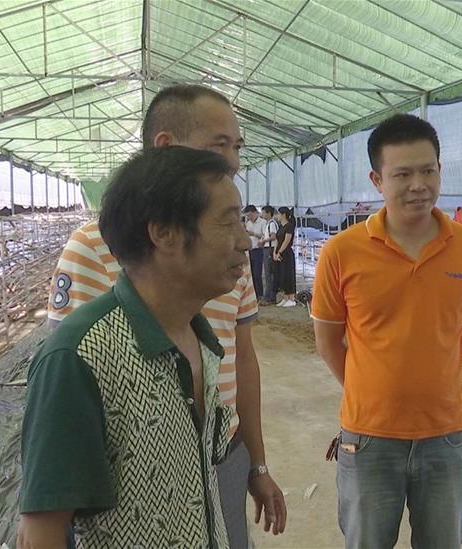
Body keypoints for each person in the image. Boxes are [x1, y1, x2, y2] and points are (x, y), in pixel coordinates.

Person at [46, 85, 286, 547]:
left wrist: (256, 462)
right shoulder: (93, 249)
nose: (233, 162)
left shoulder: (228, 253)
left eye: (238, 147)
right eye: (219, 145)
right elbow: (66, 387)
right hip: (134, 468)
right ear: (165, 147)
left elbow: (243, 360)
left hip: (222, 449)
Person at [18, 147, 245, 548]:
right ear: (164, 234)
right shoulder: (79, 358)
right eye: (228, 223)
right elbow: (41, 532)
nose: (245, 240)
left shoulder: (202, 337)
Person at [311, 114, 462, 549]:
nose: (418, 185)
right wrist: (373, 387)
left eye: (428, 171)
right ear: (377, 180)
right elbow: (328, 340)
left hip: (445, 435)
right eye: (402, 174)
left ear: (440, 170)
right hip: (368, 438)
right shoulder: (342, 252)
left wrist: (430, 374)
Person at [273, 207, 297, 308]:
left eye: (278, 214)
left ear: (283, 214)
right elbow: (277, 241)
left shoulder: (289, 226)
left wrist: (280, 252)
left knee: (288, 275)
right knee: (282, 276)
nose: (277, 216)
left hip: (286, 254)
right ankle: (285, 297)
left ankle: (291, 298)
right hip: (280, 253)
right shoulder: (280, 227)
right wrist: (275, 252)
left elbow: (286, 241)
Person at [244, 205, 266, 297]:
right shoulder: (248, 223)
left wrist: (253, 233)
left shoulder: (263, 222)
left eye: (250, 215)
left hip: (258, 250)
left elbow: (265, 236)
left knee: (257, 274)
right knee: (250, 274)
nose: (249, 217)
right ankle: (252, 294)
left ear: (255, 212)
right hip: (249, 250)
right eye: (247, 216)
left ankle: (259, 294)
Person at [259, 206, 279, 306]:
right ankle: (269, 296)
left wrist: (263, 241)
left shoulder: (272, 224)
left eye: (263, 212)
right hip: (268, 248)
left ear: (268, 213)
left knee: (269, 274)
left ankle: (269, 297)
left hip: (270, 249)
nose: (262, 214)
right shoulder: (268, 224)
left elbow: (273, 236)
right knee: (268, 274)